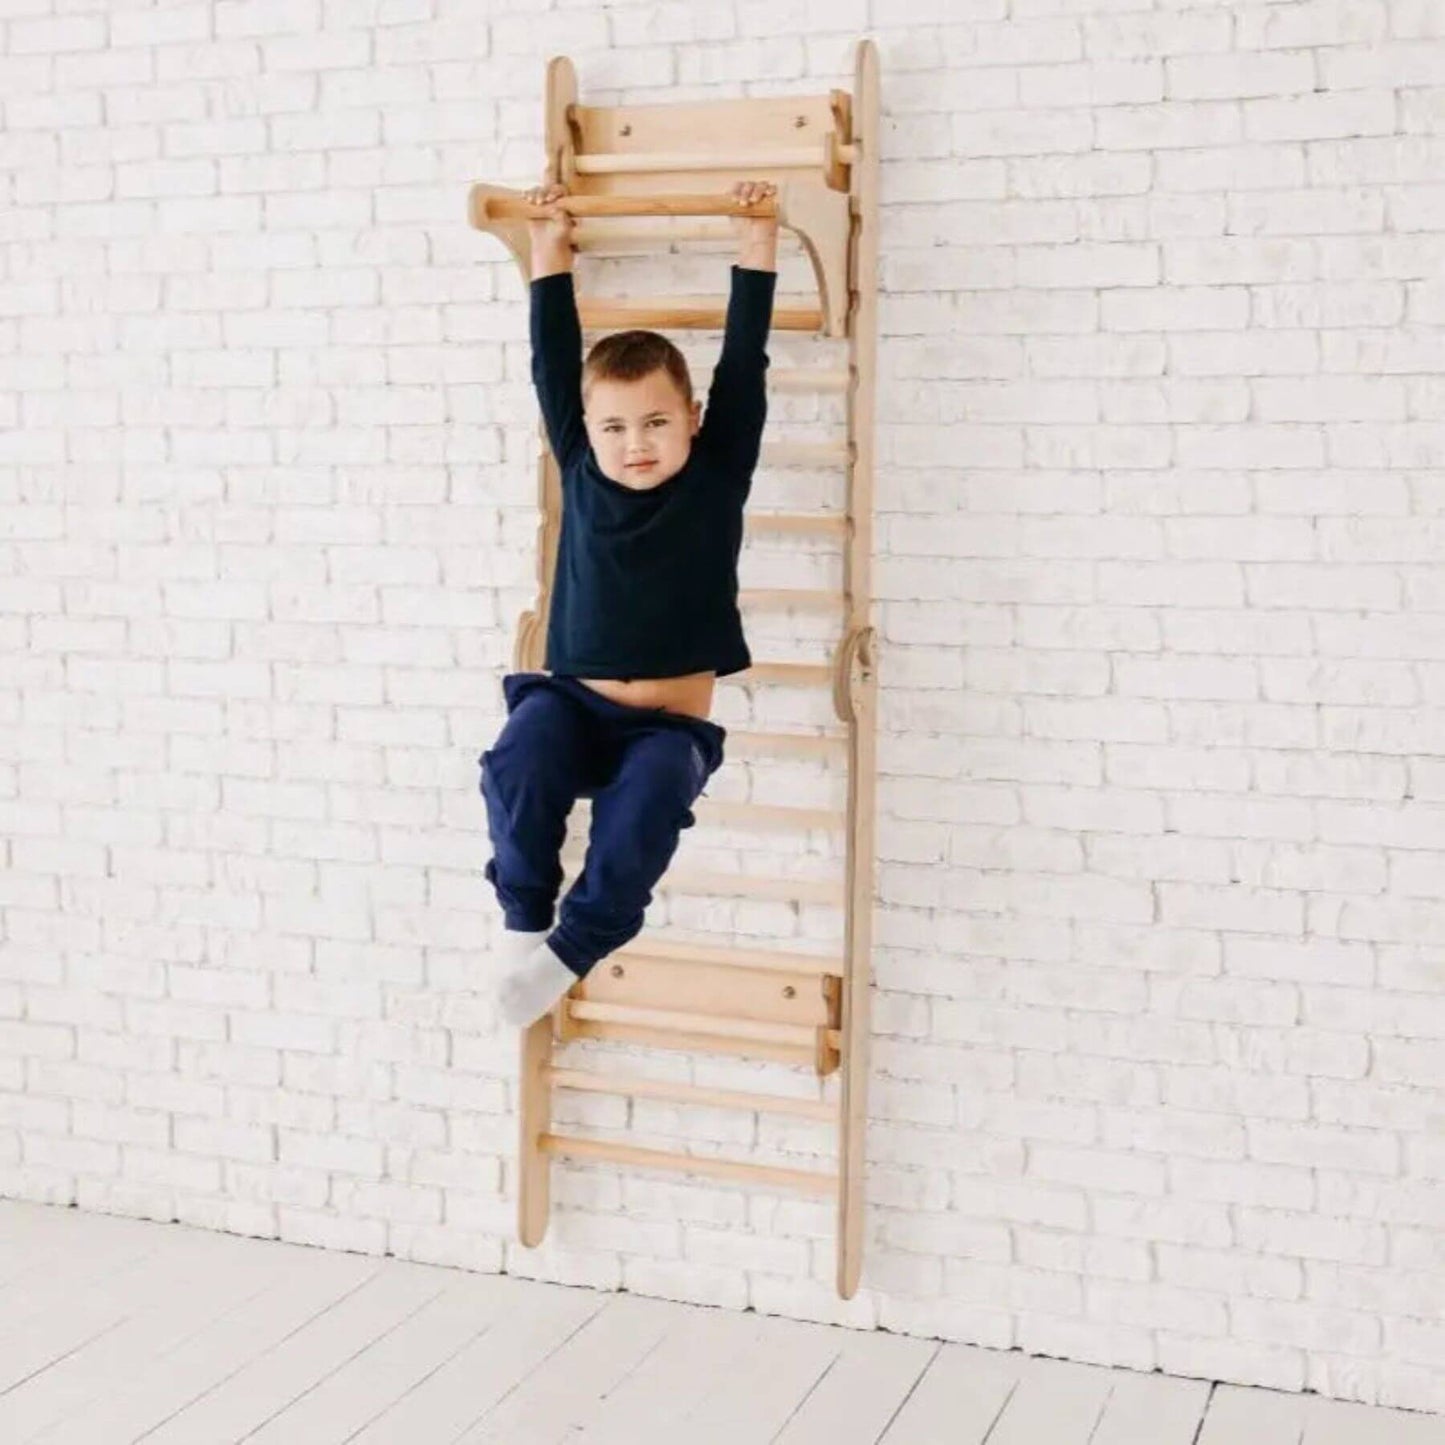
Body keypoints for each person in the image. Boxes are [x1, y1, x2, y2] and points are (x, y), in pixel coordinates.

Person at [478, 176, 779, 1026]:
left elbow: (744, 361)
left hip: (667, 728)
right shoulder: (578, 461)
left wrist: (755, 239)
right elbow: (550, 358)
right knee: (518, 758)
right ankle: (524, 921)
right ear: (588, 427)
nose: (634, 443)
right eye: (614, 427)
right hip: (570, 703)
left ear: (689, 418)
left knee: (647, 803)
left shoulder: (717, 472)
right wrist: (548, 248)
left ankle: (573, 948)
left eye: (655, 422)